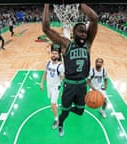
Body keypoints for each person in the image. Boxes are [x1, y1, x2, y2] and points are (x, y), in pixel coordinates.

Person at [42, 3, 98, 136]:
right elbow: (46, 29)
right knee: (65, 113)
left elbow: (94, 18)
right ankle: (60, 124)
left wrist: (80, 4)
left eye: (85, 31)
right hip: (69, 85)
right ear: (74, 33)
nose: (84, 33)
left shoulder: (88, 44)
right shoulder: (66, 44)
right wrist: (46, 5)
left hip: (82, 86)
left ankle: (66, 108)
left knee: (80, 111)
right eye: (80, 31)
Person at [40, 48, 64, 129]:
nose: (53, 55)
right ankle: (56, 106)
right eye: (52, 53)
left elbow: (63, 79)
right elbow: (45, 73)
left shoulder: (60, 66)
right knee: (53, 102)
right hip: (49, 85)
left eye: (55, 53)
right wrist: (42, 83)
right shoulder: (48, 63)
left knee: (52, 104)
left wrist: (63, 91)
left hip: (56, 87)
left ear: (58, 55)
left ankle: (56, 119)